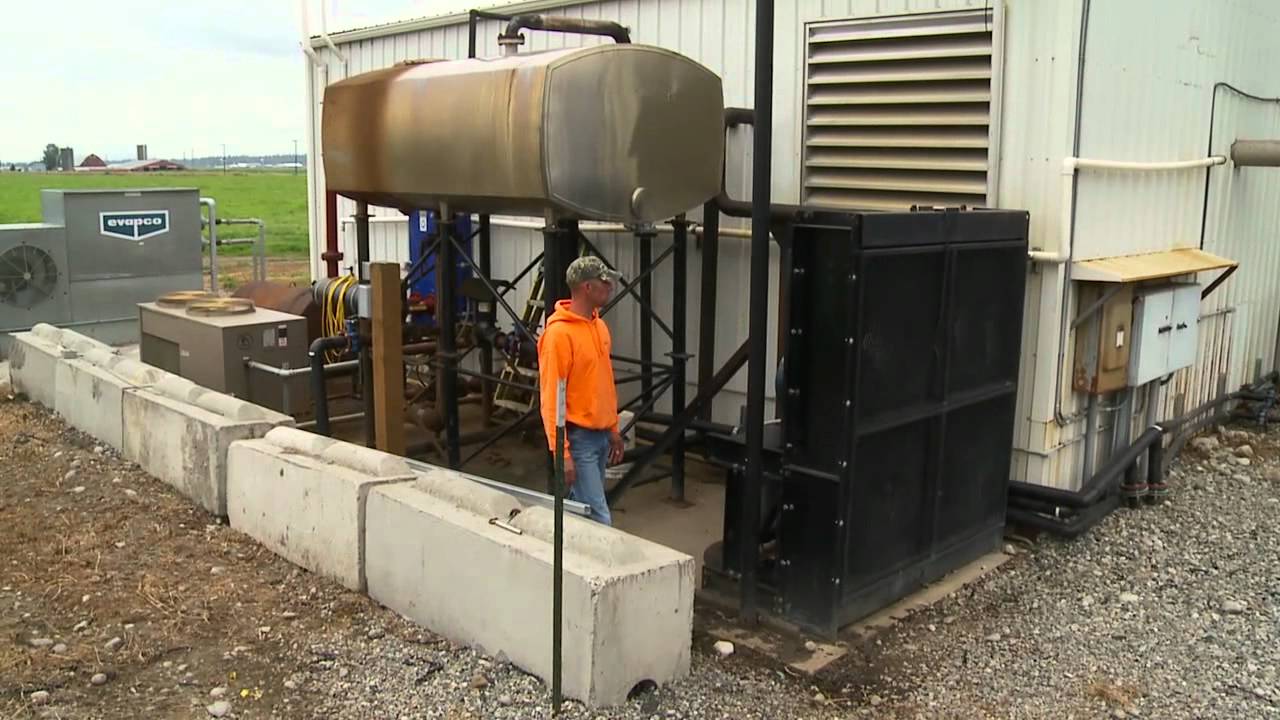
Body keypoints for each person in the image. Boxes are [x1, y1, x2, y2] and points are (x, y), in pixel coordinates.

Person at [538, 256, 625, 525]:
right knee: (600, 517)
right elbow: (551, 398)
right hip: (579, 440)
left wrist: (612, 428)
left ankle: (565, 548)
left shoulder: (600, 327)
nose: (610, 286)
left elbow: (604, 383)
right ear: (587, 287)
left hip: (600, 435)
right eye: (605, 282)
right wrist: (561, 453)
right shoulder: (558, 336)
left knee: (583, 510)